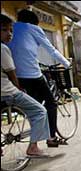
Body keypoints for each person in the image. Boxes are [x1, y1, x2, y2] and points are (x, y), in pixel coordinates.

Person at [8, 9, 71, 147]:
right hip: (30, 74)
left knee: (33, 106)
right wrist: (66, 63)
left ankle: (35, 140)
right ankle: (51, 137)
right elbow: (51, 49)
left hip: (13, 74)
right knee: (51, 103)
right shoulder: (33, 28)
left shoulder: (11, 27)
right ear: (34, 21)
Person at [1, 14, 50, 157]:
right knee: (40, 111)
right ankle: (33, 147)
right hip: (7, 92)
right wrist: (19, 88)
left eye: (11, 30)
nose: (9, 34)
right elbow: (11, 73)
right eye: (5, 30)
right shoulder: (3, 49)